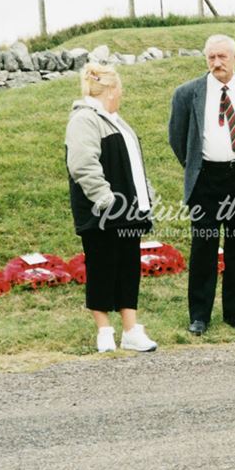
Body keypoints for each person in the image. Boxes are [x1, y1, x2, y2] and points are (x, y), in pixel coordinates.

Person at [168, 34, 235, 335]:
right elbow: (177, 138)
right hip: (206, 181)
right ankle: (200, 316)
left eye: (223, 57)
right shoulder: (187, 93)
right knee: (204, 248)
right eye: (211, 57)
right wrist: (196, 168)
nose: (217, 63)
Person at [66, 62, 158, 353]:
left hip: (128, 213)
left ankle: (131, 330)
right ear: (111, 90)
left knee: (128, 267)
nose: (122, 95)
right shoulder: (84, 119)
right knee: (102, 265)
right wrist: (106, 200)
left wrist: (147, 195)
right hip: (102, 213)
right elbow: (83, 165)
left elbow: (133, 166)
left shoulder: (116, 120)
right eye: (120, 90)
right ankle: (104, 331)